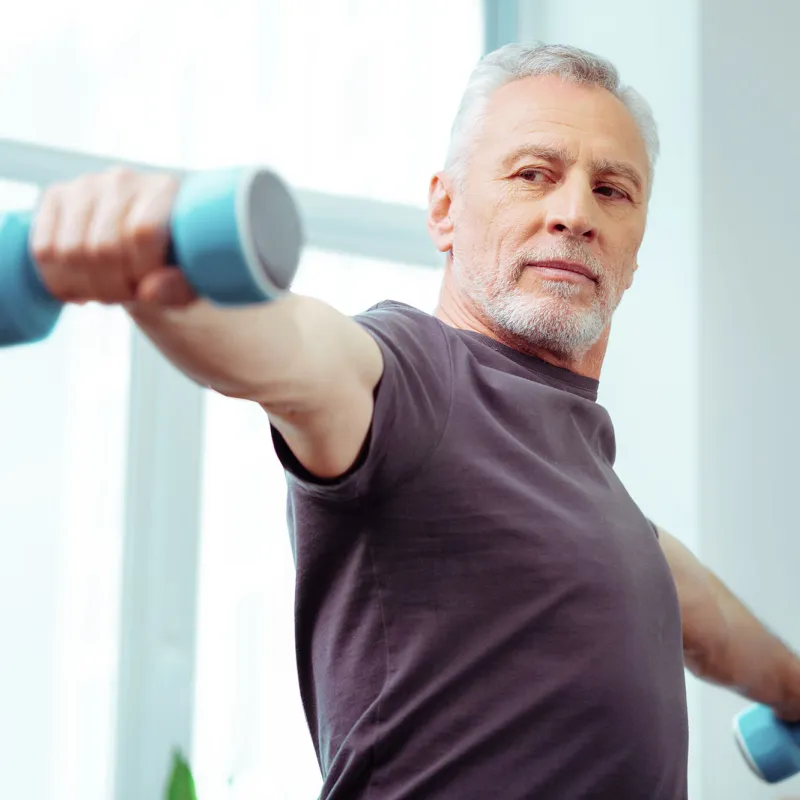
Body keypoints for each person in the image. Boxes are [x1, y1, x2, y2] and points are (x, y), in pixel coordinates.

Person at [28, 42, 800, 799]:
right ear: (444, 209)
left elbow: (687, 599)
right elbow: (291, 350)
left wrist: (793, 689)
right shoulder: (411, 378)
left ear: (635, 250)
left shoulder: (598, 494)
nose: (574, 214)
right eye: (534, 175)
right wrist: (159, 277)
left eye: (613, 191)